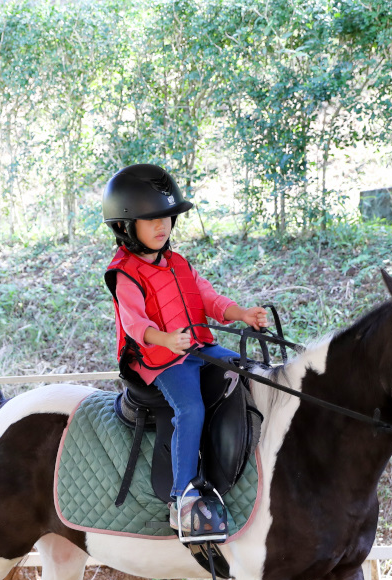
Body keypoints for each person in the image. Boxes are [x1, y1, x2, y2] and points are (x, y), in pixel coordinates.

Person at [101, 164, 267, 543]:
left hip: (197, 346)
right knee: (189, 407)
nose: (163, 226)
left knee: (249, 371)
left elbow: (206, 298)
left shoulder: (179, 264)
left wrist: (239, 313)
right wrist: (164, 340)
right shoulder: (125, 274)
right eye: (151, 219)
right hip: (159, 359)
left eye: (167, 218)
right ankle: (183, 499)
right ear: (126, 226)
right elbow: (133, 323)